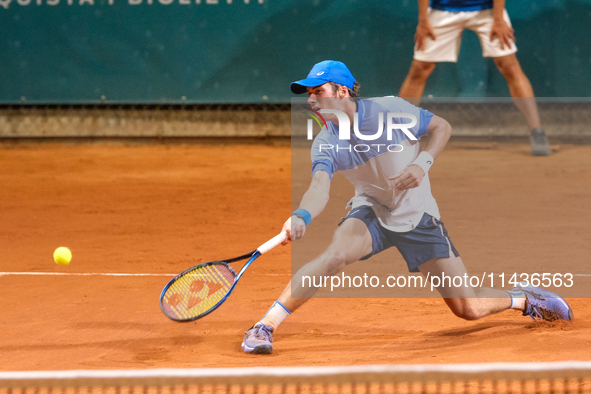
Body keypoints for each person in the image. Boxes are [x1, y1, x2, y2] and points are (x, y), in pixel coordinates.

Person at [241, 60, 572, 355]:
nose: (311, 100)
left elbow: (441, 126)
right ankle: (265, 325)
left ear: (342, 91)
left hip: (418, 215)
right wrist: (301, 215)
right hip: (370, 209)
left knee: (467, 307)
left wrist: (422, 163)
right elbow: (319, 187)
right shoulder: (326, 141)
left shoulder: (390, 111)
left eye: (318, 91)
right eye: (307, 94)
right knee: (334, 255)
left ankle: (526, 299)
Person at [398, 0, 552, 156]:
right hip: (442, 10)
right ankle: (397, 135)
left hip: (487, 11)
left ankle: (537, 131)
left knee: (509, 66)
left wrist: (499, 20)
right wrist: (423, 20)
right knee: (419, 70)